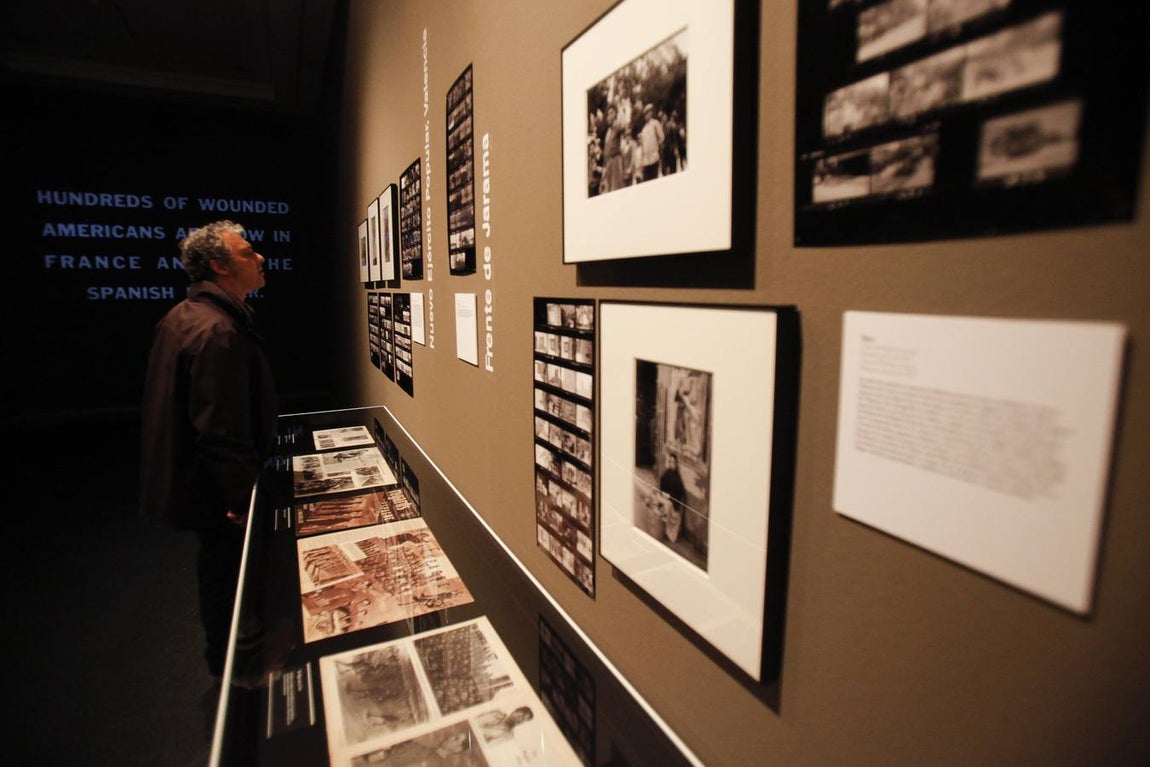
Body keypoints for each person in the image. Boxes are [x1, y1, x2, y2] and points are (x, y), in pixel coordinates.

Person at [139, 220, 279, 678]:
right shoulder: (217, 330)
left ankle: (228, 662)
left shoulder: (187, 317)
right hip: (216, 492)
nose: (259, 258)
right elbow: (220, 427)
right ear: (219, 266)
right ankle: (240, 670)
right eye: (246, 253)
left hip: (198, 485)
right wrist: (241, 500)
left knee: (221, 575)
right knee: (230, 578)